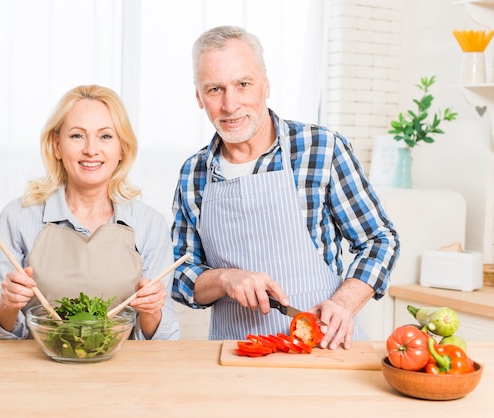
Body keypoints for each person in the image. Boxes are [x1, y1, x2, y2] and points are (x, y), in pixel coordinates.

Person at [171, 26, 399, 349]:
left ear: (266, 84)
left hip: (324, 350)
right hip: (237, 357)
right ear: (198, 97)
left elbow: (380, 240)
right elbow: (181, 276)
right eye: (214, 90)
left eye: (243, 84)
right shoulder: (192, 174)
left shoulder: (321, 149)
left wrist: (344, 304)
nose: (230, 104)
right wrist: (225, 278)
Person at [0, 84, 179, 341]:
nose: (91, 150)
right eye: (77, 136)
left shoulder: (150, 224)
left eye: (105, 136)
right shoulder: (18, 216)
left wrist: (151, 311)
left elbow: (164, 337)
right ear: (57, 146)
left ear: (122, 149)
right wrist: (7, 303)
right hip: (37, 371)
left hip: (123, 373)